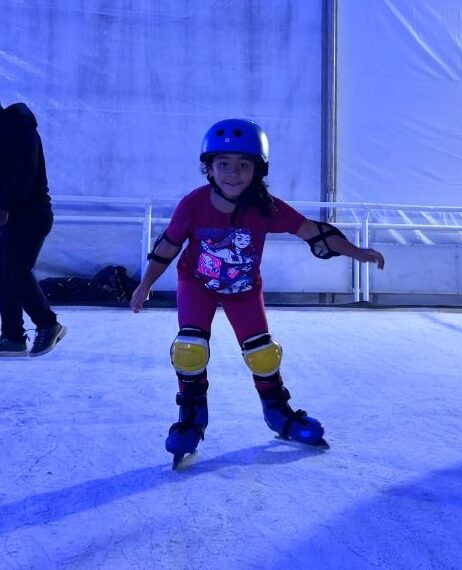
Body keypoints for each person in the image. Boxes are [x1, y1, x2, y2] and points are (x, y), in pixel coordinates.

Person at [130, 118, 385, 466]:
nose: (233, 173)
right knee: (190, 349)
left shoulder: (265, 207)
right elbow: (168, 245)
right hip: (197, 285)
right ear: (208, 168)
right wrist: (145, 285)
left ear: (257, 170)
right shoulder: (193, 204)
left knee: (262, 353)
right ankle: (191, 418)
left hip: (243, 289)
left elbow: (314, 233)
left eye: (243, 165)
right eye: (223, 164)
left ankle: (278, 413)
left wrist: (357, 252)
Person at [0, 101, 67, 358]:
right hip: (12, 215)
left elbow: (25, 170)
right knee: (5, 272)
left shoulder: (19, 126)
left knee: (16, 269)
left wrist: (4, 204)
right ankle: (13, 335)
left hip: (30, 214)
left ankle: (48, 323)